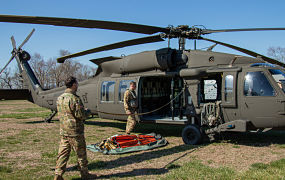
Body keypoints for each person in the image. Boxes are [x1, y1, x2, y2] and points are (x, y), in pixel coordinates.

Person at [54, 76, 96, 180]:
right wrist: (88, 112)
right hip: (75, 132)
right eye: (76, 83)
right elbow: (80, 115)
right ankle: (85, 175)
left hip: (64, 131)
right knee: (81, 154)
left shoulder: (60, 98)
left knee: (63, 154)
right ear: (73, 85)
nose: (77, 85)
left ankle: (58, 175)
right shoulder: (75, 99)